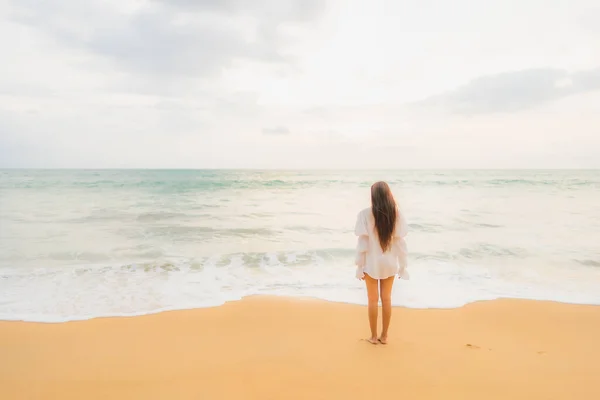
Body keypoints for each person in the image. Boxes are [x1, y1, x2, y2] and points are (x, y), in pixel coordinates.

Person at [354, 181, 408, 344]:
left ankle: (373, 337)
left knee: (372, 300)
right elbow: (400, 244)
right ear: (388, 195)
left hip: (372, 263)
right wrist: (403, 266)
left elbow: (362, 244)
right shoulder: (396, 214)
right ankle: (384, 336)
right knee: (386, 298)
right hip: (390, 263)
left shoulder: (364, 214)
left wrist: (359, 267)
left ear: (373, 196)